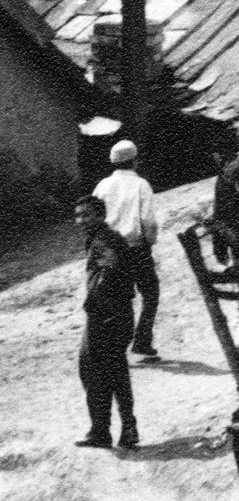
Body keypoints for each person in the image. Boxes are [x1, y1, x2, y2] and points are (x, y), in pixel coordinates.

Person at [75, 195, 138, 450]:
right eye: (78, 215)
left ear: (100, 216)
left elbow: (109, 273)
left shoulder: (103, 241)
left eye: (86, 215)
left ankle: (103, 431)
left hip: (106, 316)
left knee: (94, 372)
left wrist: (100, 307)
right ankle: (126, 428)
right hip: (115, 313)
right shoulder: (105, 238)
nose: (80, 220)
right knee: (115, 372)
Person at [93, 138, 160, 360]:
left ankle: (115, 347)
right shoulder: (141, 185)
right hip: (135, 248)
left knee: (118, 298)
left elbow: (93, 218)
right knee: (150, 294)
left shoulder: (102, 186)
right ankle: (142, 340)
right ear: (135, 161)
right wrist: (149, 242)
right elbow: (148, 221)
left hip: (110, 250)